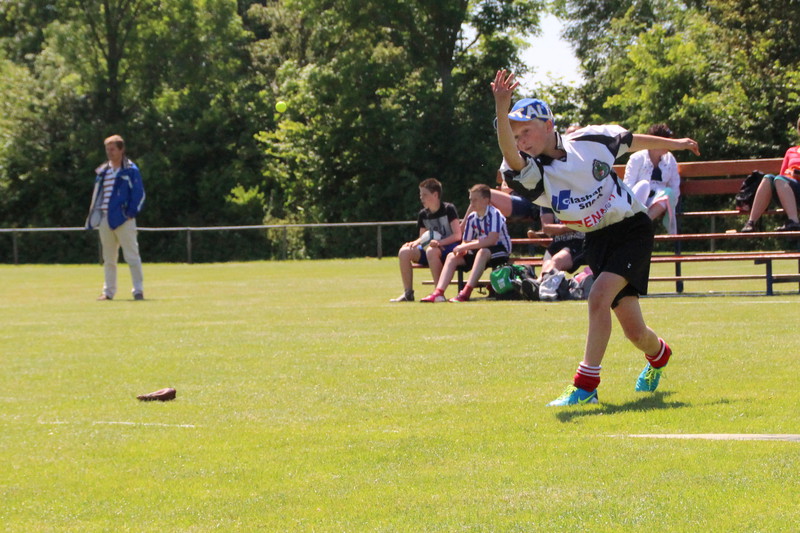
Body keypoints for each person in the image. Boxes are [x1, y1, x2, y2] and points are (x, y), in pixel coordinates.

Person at [491, 70, 700, 406]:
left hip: (632, 228)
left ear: (549, 125)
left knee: (598, 297)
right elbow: (511, 157)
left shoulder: (589, 141)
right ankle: (660, 355)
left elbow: (631, 141)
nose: (521, 141)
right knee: (635, 333)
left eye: (526, 131)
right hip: (597, 239)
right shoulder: (533, 171)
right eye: (515, 135)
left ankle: (586, 386)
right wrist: (502, 109)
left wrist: (675, 144)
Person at [421, 184, 512, 303]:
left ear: (486, 200)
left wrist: (465, 246)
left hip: (500, 250)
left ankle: (465, 293)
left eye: (475, 200)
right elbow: (466, 240)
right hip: (481, 250)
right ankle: (439, 293)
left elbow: (491, 240)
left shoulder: (495, 214)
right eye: (470, 200)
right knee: (452, 256)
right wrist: (463, 249)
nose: (471, 203)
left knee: (483, 252)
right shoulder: (472, 217)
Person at [85, 135, 146, 301]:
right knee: (109, 259)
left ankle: (138, 290)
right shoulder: (103, 171)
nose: (109, 152)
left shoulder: (131, 170)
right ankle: (108, 292)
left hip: (124, 219)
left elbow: (139, 194)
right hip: (105, 218)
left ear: (121, 150)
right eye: (107, 149)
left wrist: (129, 214)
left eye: (112, 149)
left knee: (132, 256)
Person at [390, 178, 462, 302]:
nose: (421, 198)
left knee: (431, 251)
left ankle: (438, 293)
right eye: (420, 194)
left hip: (448, 248)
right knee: (404, 252)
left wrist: (439, 243)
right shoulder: (423, 214)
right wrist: (415, 243)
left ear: (435, 195)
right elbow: (423, 237)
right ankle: (408, 293)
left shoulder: (448, 209)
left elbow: (457, 235)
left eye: (424, 194)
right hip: (431, 248)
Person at [741, 117, 800, 233]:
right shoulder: (791, 151)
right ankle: (751, 222)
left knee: (779, 179)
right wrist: (790, 174)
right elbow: (782, 175)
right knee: (768, 178)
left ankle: (794, 221)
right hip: (788, 191)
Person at [623, 123, 682, 233]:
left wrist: (670, 204)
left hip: (658, 202)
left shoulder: (670, 159)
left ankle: (640, 225)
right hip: (638, 201)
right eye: (666, 141)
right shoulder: (637, 158)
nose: (669, 144)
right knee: (644, 185)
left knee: (669, 193)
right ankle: (637, 224)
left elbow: (675, 187)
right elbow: (628, 186)